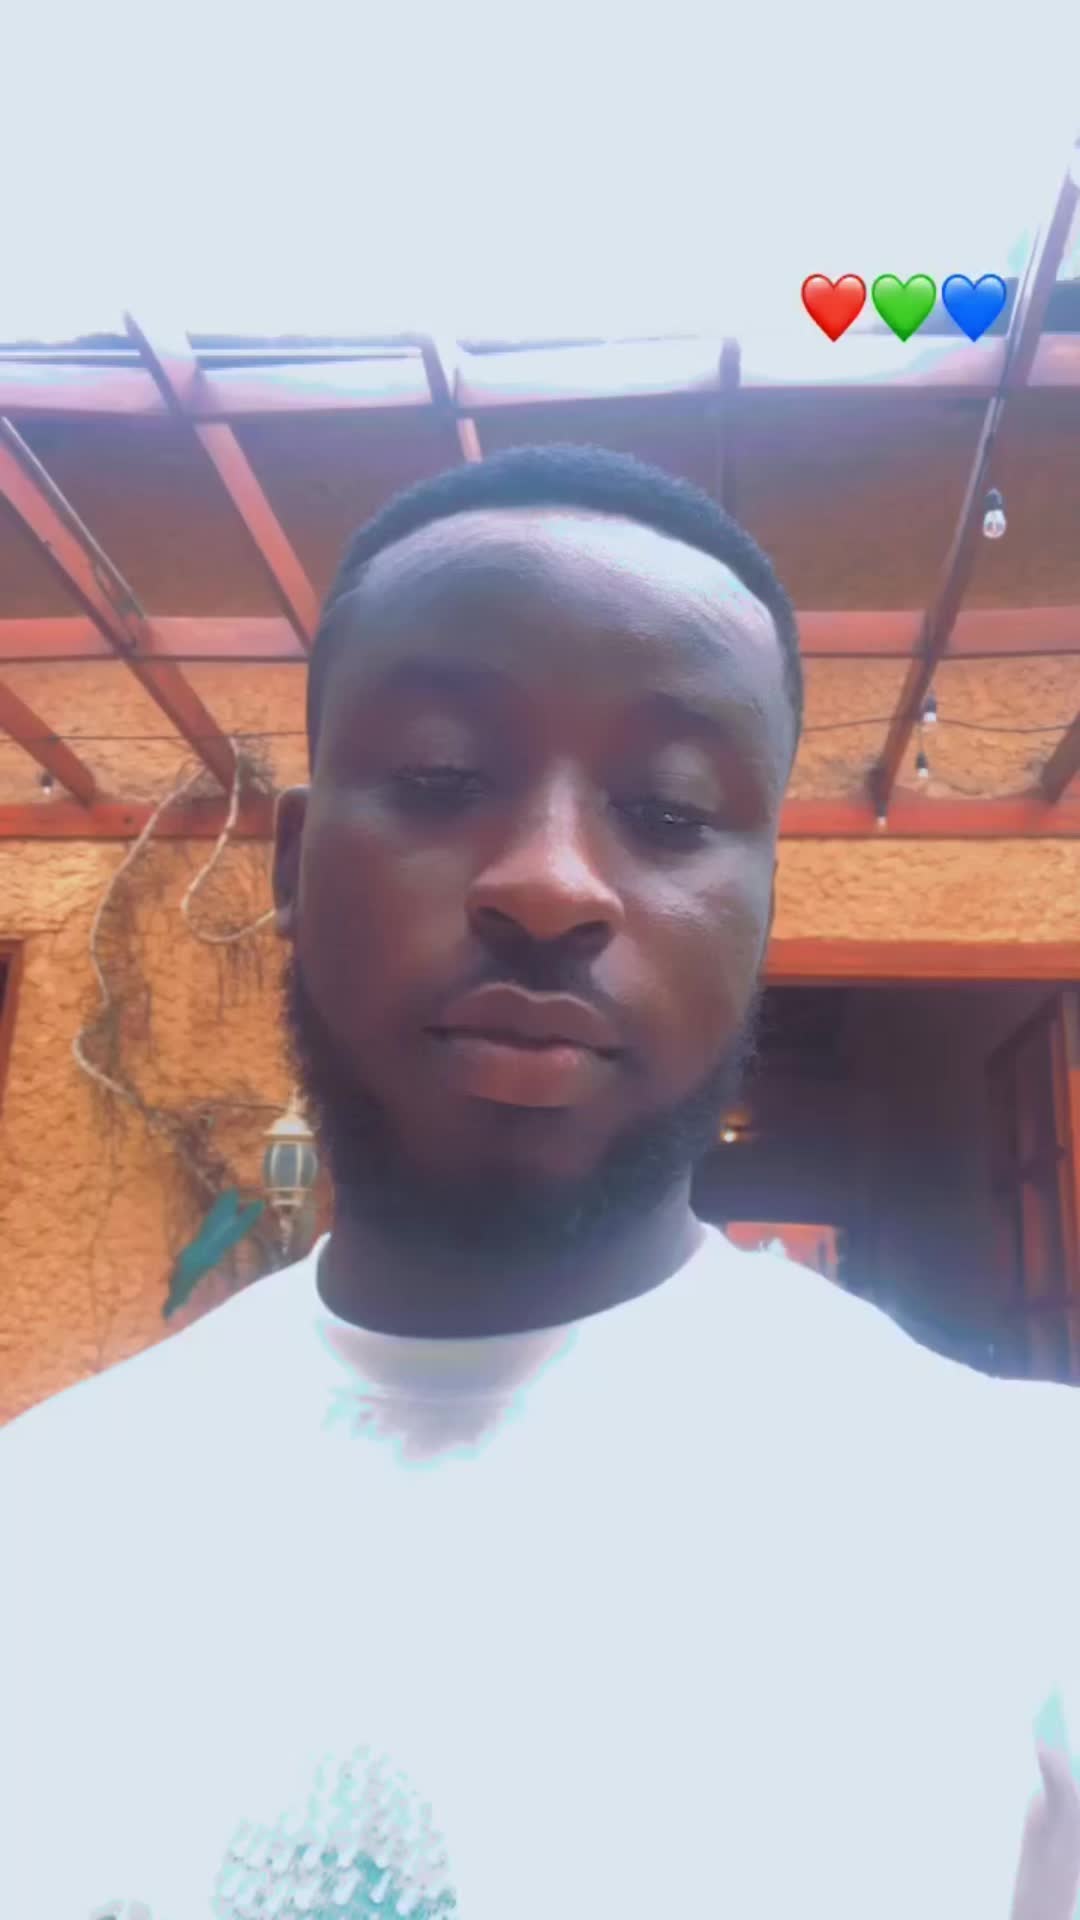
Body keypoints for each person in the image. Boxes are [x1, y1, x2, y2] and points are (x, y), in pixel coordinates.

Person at [1, 444, 1077, 1920]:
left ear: (761, 912)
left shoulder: (1021, 1530)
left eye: (673, 809)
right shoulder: (47, 1520)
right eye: (441, 778)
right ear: (294, 869)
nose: (551, 882)